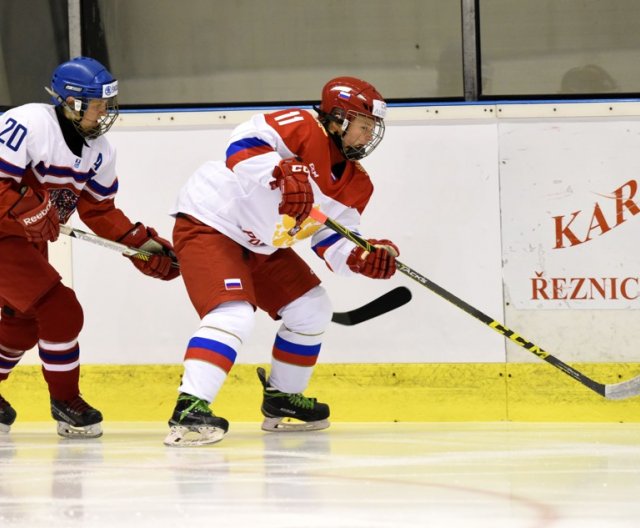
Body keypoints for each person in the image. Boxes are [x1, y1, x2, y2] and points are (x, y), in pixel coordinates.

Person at [165, 76, 399, 447]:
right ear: (337, 119)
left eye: (372, 128)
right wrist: (281, 169)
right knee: (234, 313)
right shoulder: (302, 126)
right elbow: (241, 146)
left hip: (263, 244)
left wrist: (360, 256)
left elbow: (330, 236)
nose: (367, 136)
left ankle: (280, 398)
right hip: (213, 222)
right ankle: (189, 409)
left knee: (312, 308)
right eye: (363, 126)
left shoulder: (358, 184)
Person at [0, 56, 179, 438]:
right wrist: (26, 208)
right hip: (4, 237)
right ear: (70, 101)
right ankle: (66, 402)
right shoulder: (29, 122)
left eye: (106, 104)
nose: (104, 112)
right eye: (97, 104)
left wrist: (141, 245)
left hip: (25, 243)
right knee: (61, 311)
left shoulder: (100, 151)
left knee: (23, 325)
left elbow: (99, 211)